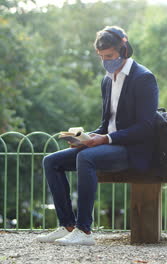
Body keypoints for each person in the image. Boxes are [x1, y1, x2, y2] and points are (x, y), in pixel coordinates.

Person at [35, 26, 159, 246]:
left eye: (109, 56)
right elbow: (107, 124)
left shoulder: (143, 78)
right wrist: (87, 137)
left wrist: (105, 139)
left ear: (124, 49)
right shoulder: (107, 80)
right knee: (51, 161)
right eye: (101, 57)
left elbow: (146, 127)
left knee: (86, 158)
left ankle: (84, 231)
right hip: (109, 145)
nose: (105, 61)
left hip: (133, 150)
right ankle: (67, 225)